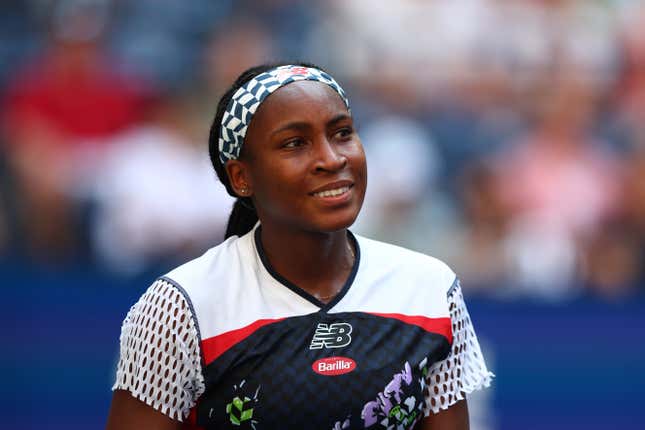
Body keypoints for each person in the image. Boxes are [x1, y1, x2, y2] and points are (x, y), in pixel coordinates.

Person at [106, 63, 493, 430]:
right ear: (241, 177)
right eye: (295, 143)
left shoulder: (430, 289)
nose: (331, 158)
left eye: (342, 133)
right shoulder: (178, 306)